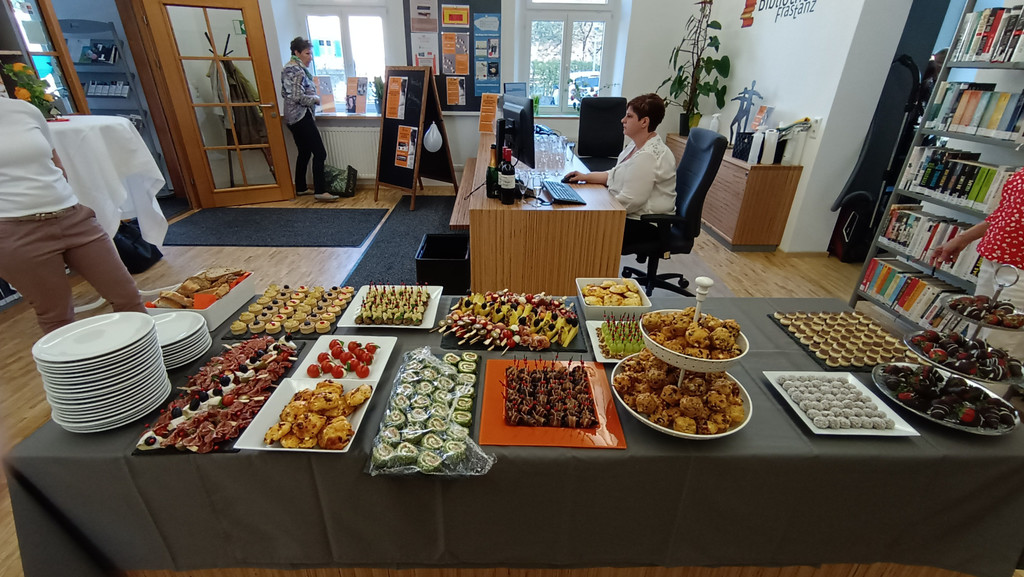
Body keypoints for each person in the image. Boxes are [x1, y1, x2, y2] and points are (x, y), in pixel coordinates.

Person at [0, 97, 145, 334]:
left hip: (73, 217)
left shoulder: (23, 110)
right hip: (15, 231)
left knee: (128, 297)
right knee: (57, 317)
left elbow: (55, 162)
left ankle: (146, 357)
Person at [563, 93, 676, 249]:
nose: (623, 120)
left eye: (629, 116)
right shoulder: (635, 145)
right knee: (578, 222)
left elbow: (630, 201)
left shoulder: (648, 156)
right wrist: (585, 176)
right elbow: (614, 174)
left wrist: (594, 207)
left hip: (646, 225)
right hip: (629, 215)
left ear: (644, 122)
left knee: (582, 228)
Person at [933, 168, 1024, 357]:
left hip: (1020, 271)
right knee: (977, 332)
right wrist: (963, 239)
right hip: (994, 258)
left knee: (1002, 344)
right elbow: (1005, 213)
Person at [281, 37, 336, 201]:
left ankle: (301, 187)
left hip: (291, 117)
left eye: (311, 53)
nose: (310, 57)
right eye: (307, 53)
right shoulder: (297, 71)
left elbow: (285, 93)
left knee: (304, 152)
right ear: (297, 52)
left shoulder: (288, 69)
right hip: (300, 116)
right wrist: (316, 99)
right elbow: (297, 97)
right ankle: (320, 190)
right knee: (320, 153)